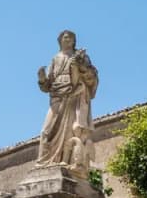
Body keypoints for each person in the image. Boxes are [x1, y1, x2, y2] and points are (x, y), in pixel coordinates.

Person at [36, 30, 100, 169]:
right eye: (65, 37)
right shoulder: (55, 59)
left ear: (74, 41)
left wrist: (79, 65)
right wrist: (42, 79)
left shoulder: (81, 57)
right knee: (46, 131)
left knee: (70, 132)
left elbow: (92, 76)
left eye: (71, 38)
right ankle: (43, 163)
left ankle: (65, 162)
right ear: (60, 40)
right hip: (56, 96)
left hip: (74, 96)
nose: (68, 40)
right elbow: (47, 86)